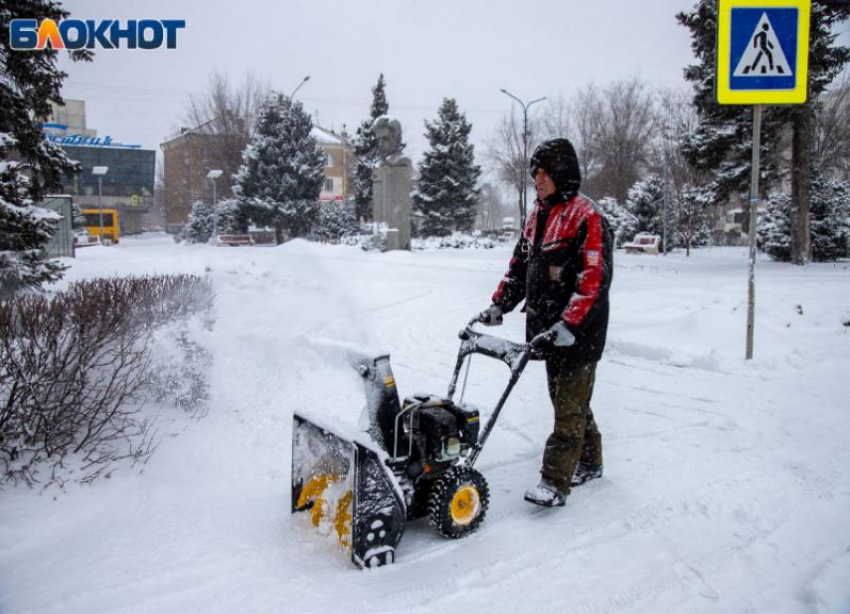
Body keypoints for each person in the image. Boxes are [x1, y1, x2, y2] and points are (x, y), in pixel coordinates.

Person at [479, 138, 613, 507]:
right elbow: (519, 268)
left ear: (562, 175)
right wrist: (499, 305)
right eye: (535, 173)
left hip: (579, 334)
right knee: (568, 401)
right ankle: (591, 458)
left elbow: (593, 282)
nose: (537, 180)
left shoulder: (587, 216)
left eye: (544, 173)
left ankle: (555, 481)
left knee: (568, 409)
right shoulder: (539, 215)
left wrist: (570, 325)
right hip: (548, 333)